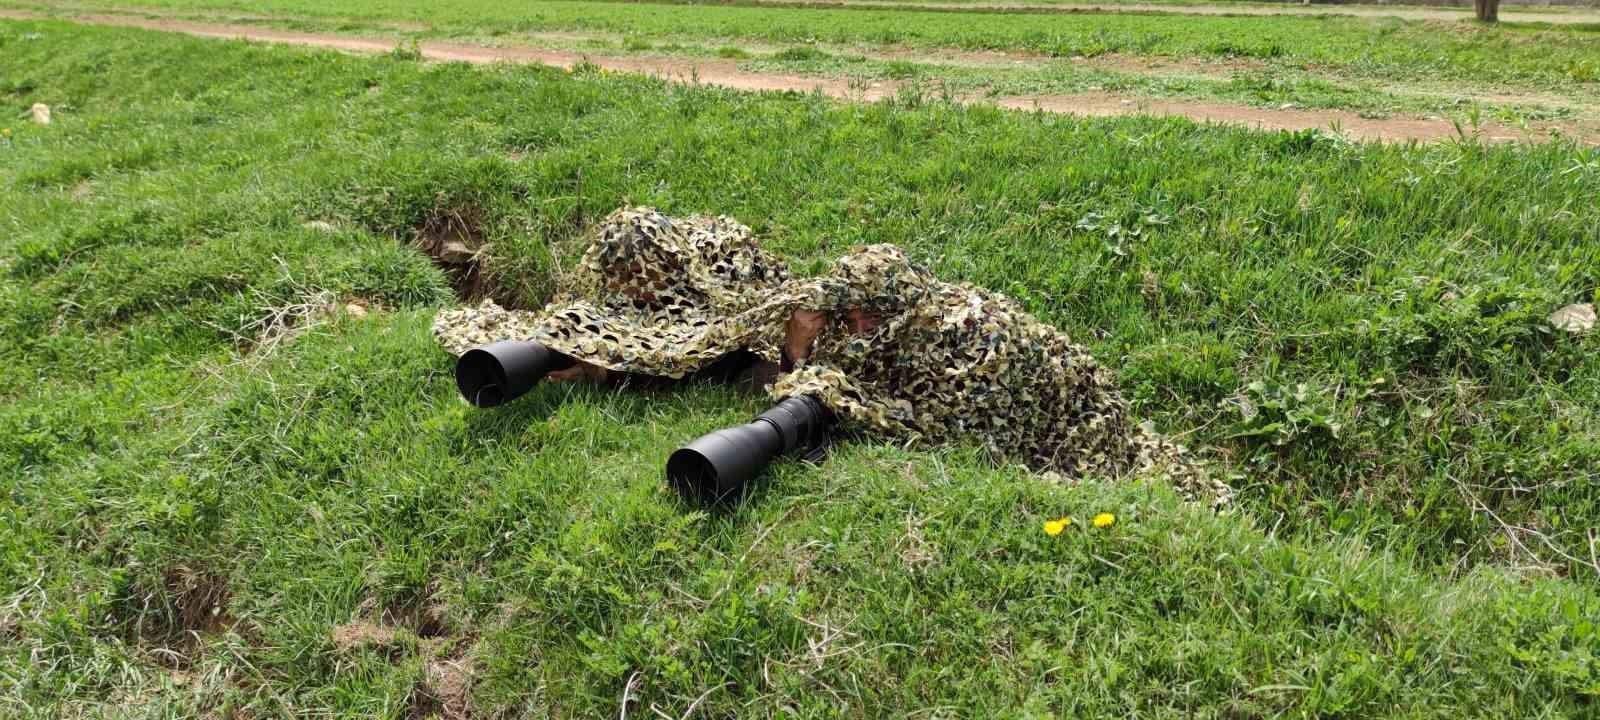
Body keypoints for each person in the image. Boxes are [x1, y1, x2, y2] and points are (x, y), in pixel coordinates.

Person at [434, 207, 1230, 505]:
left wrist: (813, 389)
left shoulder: (960, 335)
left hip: (1070, 416)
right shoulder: (898, 307)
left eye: (837, 317)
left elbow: (942, 415)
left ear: (860, 312)